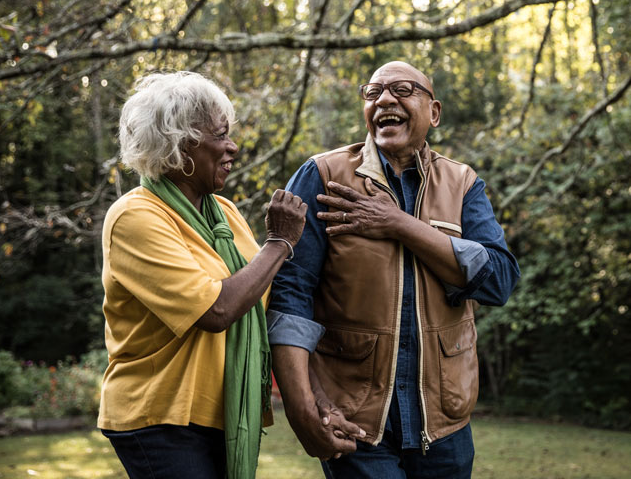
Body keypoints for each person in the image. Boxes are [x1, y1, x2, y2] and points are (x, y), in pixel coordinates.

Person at [267, 61, 520, 478]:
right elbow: (290, 298)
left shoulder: (463, 184)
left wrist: (398, 223)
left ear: (434, 112)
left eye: (403, 89)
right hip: (355, 423)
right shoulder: (323, 176)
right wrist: (302, 407)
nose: (385, 99)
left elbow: (499, 281)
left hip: (446, 427)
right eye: (373, 93)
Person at [98, 71, 307, 479]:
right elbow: (216, 308)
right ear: (179, 144)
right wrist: (280, 244)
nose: (232, 147)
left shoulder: (224, 215)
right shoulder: (135, 216)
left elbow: (265, 295)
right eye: (220, 135)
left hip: (222, 411)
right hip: (159, 416)